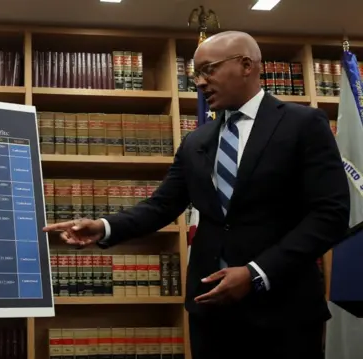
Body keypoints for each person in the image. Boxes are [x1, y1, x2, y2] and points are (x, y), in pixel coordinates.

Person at [42, 31, 351, 359]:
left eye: (208, 70)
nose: (199, 83)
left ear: (246, 65)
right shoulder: (196, 141)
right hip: (211, 313)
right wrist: (104, 227)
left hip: (284, 310)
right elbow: (161, 205)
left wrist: (256, 273)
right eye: (195, 75)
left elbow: (330, 214)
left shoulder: (303, 124)